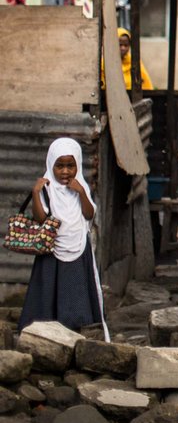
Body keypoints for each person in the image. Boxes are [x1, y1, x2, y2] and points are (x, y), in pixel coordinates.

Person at [19, 138, 109, 339]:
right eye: (59, 166)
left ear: (77, 164)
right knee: (48, 290)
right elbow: (40, 218)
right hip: (52, 249)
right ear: (51, 164)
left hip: (77, 247)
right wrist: (35, 193)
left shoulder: (80, 187)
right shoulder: (46, 188)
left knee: (76, 288)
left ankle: (76, 329)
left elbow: (88, 214)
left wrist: (81, 193)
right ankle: (46, 333)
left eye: (70, 166)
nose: (65, 172)